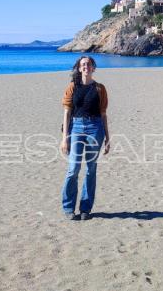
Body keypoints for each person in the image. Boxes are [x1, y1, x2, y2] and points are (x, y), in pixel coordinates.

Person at [60, 55, 110, 221]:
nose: (86, 66)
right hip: (76, 128)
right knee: (73, 169)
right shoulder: (72, 87)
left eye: (89, 64)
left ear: (93, 67)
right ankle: (68, 207)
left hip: (95, 128)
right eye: (83, 64)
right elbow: (66, 113)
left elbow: (103, 114)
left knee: (90, 169)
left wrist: (108, 138)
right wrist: (64, 138)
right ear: (79, 68)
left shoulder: (100, 89)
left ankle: (85, 208)